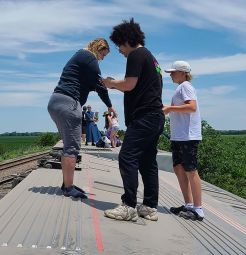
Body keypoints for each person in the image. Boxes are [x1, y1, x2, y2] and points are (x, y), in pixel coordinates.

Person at [102, 18, 164, 221]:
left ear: (127, 40)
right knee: (147, 161)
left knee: (127, 157)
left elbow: (129, 85)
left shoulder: (137, 54)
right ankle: (149, 207)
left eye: (119, 45)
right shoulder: (152, 59)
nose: (119, 50)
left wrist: (111, 83)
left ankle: (129, 205)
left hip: (144, 117)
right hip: (155, 116)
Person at [48, 38, 116, 199]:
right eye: (103, 54)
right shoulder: (89, 57)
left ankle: (67, 183)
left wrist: (112, 85)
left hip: (57, 101)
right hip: (69, 102)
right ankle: (68, 188)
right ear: (98, 48)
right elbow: (99, 85)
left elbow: (93, 84)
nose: (102, 58)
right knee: (72, 147)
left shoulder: (80, 57)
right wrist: (110, 106)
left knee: (69, 146)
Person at [162, 61, 204, 221]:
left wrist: (169, 108)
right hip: (179, 136)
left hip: (188, 136)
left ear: (182, 72)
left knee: (190, 170)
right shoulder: (181, 88)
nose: (171, 75)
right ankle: (188, 204)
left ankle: (198, 209)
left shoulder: (186, 86)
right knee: (179, 168)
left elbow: (191, 106)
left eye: (173, 72)